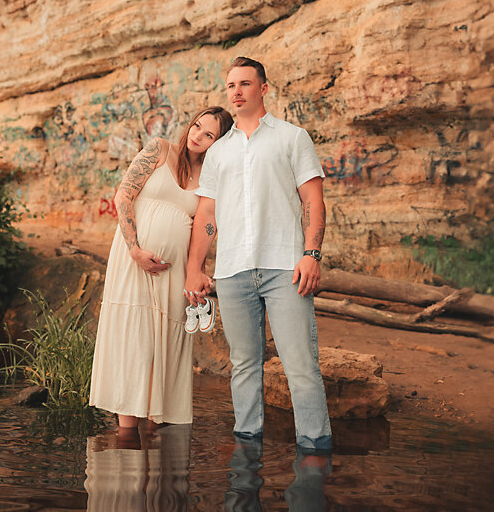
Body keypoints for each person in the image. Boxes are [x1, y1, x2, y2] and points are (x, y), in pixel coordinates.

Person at [184, 57, 332, 452]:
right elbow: (207, 215)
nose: (236, 91)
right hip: (232, 271)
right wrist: (194, 268)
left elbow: (313, 201)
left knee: (300, 366)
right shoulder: (219, 152)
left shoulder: (292, 137)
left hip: (286, 267)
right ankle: (247, 453)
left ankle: (315, 452)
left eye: (245, 84)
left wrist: (311, 254)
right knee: (244, 367)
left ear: (263, 89)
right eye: (231, 85)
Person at [89, 105, 234, 439]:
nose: (197, 135)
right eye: (197, 126)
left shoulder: (210, 179)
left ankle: (157, 438)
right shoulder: (159, 149)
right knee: (133, 338)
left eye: (209, 134)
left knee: (164, 343)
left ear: (219, 142)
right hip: (133, 260)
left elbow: (206, 226)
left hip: (173, 272)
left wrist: (198, 271)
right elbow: (123, 195)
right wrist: (135, 249)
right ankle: (126, 436)